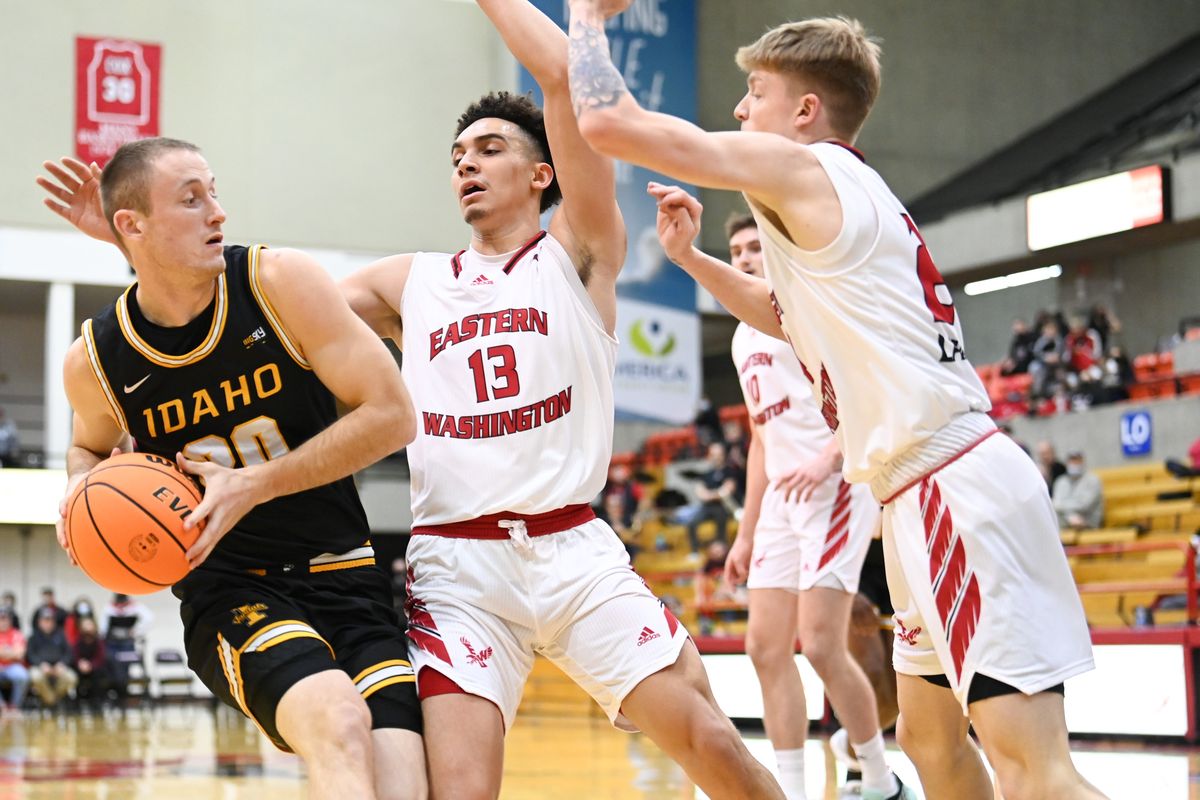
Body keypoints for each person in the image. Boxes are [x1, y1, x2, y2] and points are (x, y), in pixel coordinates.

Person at [566, 8, 1103, 799]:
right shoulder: (843, 204)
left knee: (1034, 769)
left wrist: (583, 18)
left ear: (806, 110)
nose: (743, 110)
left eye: (756, 92)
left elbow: (609, 123)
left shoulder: (808, 170)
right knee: (928, 741)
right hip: (923, 493)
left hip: (950, 485)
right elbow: (786, 319)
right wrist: (691, 261)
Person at [337, 2, 783, 797]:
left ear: (541, 173)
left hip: (574, 554)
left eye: (489, 148)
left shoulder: (578, 250)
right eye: (457, 156)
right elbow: (278, 320)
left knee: (712, 740)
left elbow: (557, 79)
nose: (466, 165)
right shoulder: (410, 282)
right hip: (459, 568)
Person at [37, 140, 425, 800]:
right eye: (191, 200)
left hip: (346, 578)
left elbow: (393, 415)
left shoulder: (279, 285)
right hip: (231, 588)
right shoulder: (96, 359)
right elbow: (87, 450)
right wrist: (80, 489)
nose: (217, 211)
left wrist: (258, 483)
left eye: (214, 192)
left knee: (405, 784)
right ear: (131, 226)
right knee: (336, 720)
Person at [714, 213, 902, 799]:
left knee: (821, 643)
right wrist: (745, 534)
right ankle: (790, 790)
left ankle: (878, 777)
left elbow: (867, 398)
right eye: (736, 249)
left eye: (753, 246)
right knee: (765, 648)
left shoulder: (811, 312)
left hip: (836, 485)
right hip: (780, 502)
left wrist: (826, 458)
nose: (744, 257)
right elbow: (760, 442)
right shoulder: (745, 336)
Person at [680, 442, 738, 553]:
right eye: (713, 455)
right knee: (691, 523)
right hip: (707, 508)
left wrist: (711, 494)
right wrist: (716, 494)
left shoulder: (729, 471)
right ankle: (695, 551)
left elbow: (727, 491)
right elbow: (701, 492)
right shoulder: (707, 474)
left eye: (718, 454)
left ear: (723, 455)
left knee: (721, 522)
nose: (716, 458)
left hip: (723, 507)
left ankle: (722, 552)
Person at [27, 608, 77, 709]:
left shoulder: (61, 635)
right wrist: (41, 664)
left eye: (50, 620)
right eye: (45, 620)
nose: (47, 623)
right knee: (35, 676)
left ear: (54, 622)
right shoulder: (33, 637)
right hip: (40, 667)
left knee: (72, 677)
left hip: (58, 667)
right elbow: (30, 655)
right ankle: (51, 701)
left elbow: (68, 653)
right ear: (39, 622)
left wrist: (62, 663)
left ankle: (50, 701)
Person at [1053, 452, 1104, 530]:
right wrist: (1069, 517)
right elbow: (1055, 504)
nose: (1074, 464)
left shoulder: (1093, 480)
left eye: (1077, 461)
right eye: (1072, 461)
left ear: (1083, 462)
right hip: (1064, 522)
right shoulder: (1060, 481)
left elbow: (1084, 505)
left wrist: (1062, 507)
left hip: (1087, 522)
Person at [72, 617, 109, 708]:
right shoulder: (78, 641)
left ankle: (96, 703)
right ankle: (79, 702)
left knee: (98, 675)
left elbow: (101, 658)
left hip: (95, 669)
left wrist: (91, 665)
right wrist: (80, 663)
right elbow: (74, 656)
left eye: (89, 625)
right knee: (75, 675)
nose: (87, 628)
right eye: (85, 625)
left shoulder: (99, 641)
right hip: (81, 668)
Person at [0, 609, 29, 715]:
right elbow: (15, 653)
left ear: (10, 621)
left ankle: (14, 707)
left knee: (22, 676)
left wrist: (3, 653)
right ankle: (2, 707)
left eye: (5, 619)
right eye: (1, 619)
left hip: (13, 666)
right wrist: (11, 652)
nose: (3, 622)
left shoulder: (17, 634)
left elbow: (19, 654)